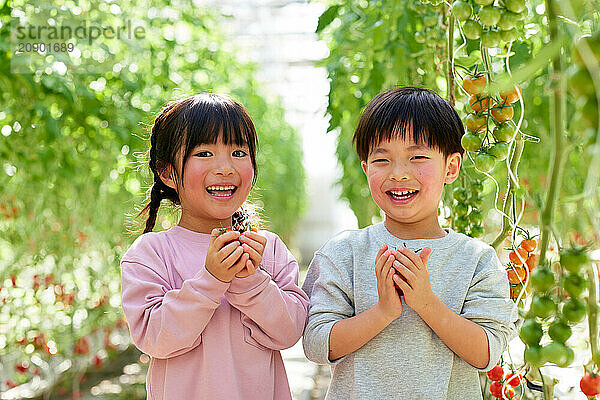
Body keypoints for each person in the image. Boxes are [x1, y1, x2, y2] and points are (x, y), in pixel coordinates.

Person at [302, 86, 520, 399]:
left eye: (417, 157)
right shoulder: (344, 253)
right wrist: (383, 311)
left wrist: (425, 302)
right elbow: (316, 343)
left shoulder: (476, 260)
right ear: (366, 169)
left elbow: (487, 353)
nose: (399, 174)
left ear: (451, 167)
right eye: (382, 160)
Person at [120, 94, 309, 400]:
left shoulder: (268, 248)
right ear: (167, 173)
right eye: (204, 153)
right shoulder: (151, 254)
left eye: (238, 151)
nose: (225, 167)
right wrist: (212, 280)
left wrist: (251, 282)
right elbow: (153, 336)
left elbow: (290, 332)